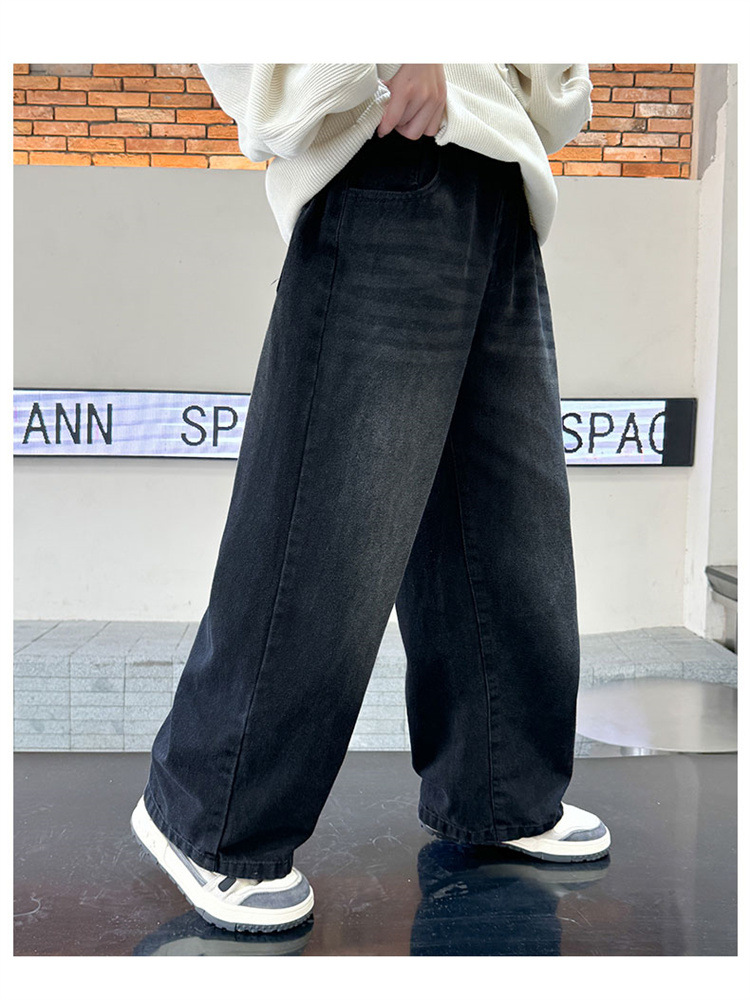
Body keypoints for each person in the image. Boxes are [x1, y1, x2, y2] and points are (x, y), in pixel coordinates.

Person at [130, 62, 611, 935]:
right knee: (331, 519)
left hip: (504, 184)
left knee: (510, 521)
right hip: (392, 157)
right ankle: (211, 815)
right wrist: (388, 51)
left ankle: (499, 791)